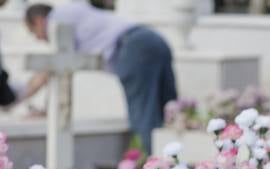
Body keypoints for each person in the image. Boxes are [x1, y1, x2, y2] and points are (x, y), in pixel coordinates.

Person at [23, 2, 177, 149]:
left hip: (132, 48)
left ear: (39, 20)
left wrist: (17, 96)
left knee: (143, 117)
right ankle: (175, 166)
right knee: (170, 111)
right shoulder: (72, 11)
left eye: (33, 31)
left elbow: (50, 70)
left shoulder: (56, 22)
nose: (37, 38)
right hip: (152, 38)